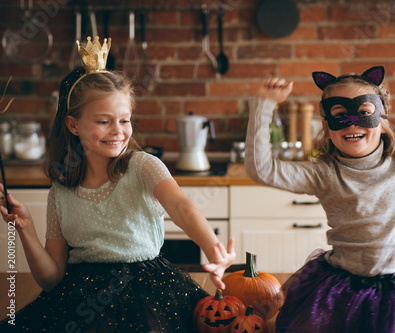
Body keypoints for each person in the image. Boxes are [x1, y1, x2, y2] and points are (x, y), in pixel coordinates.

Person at [245, 27, 395, 333]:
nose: (352, 123)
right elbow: (261, 169)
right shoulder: (325, 174)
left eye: (364, 112)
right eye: (339, 115)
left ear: (382, 119)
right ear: (327, 127)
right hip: (338, 291)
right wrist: (262, 106)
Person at [0, 37, 234, 332]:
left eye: (124, 120)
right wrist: (25, 228)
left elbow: (181, 207)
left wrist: (213, 248)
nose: (118, 131)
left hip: (149, 291)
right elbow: (51, 278)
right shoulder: (60, 192)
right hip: (80, 298)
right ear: (73, 125)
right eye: (103, 122)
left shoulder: (142, 166)